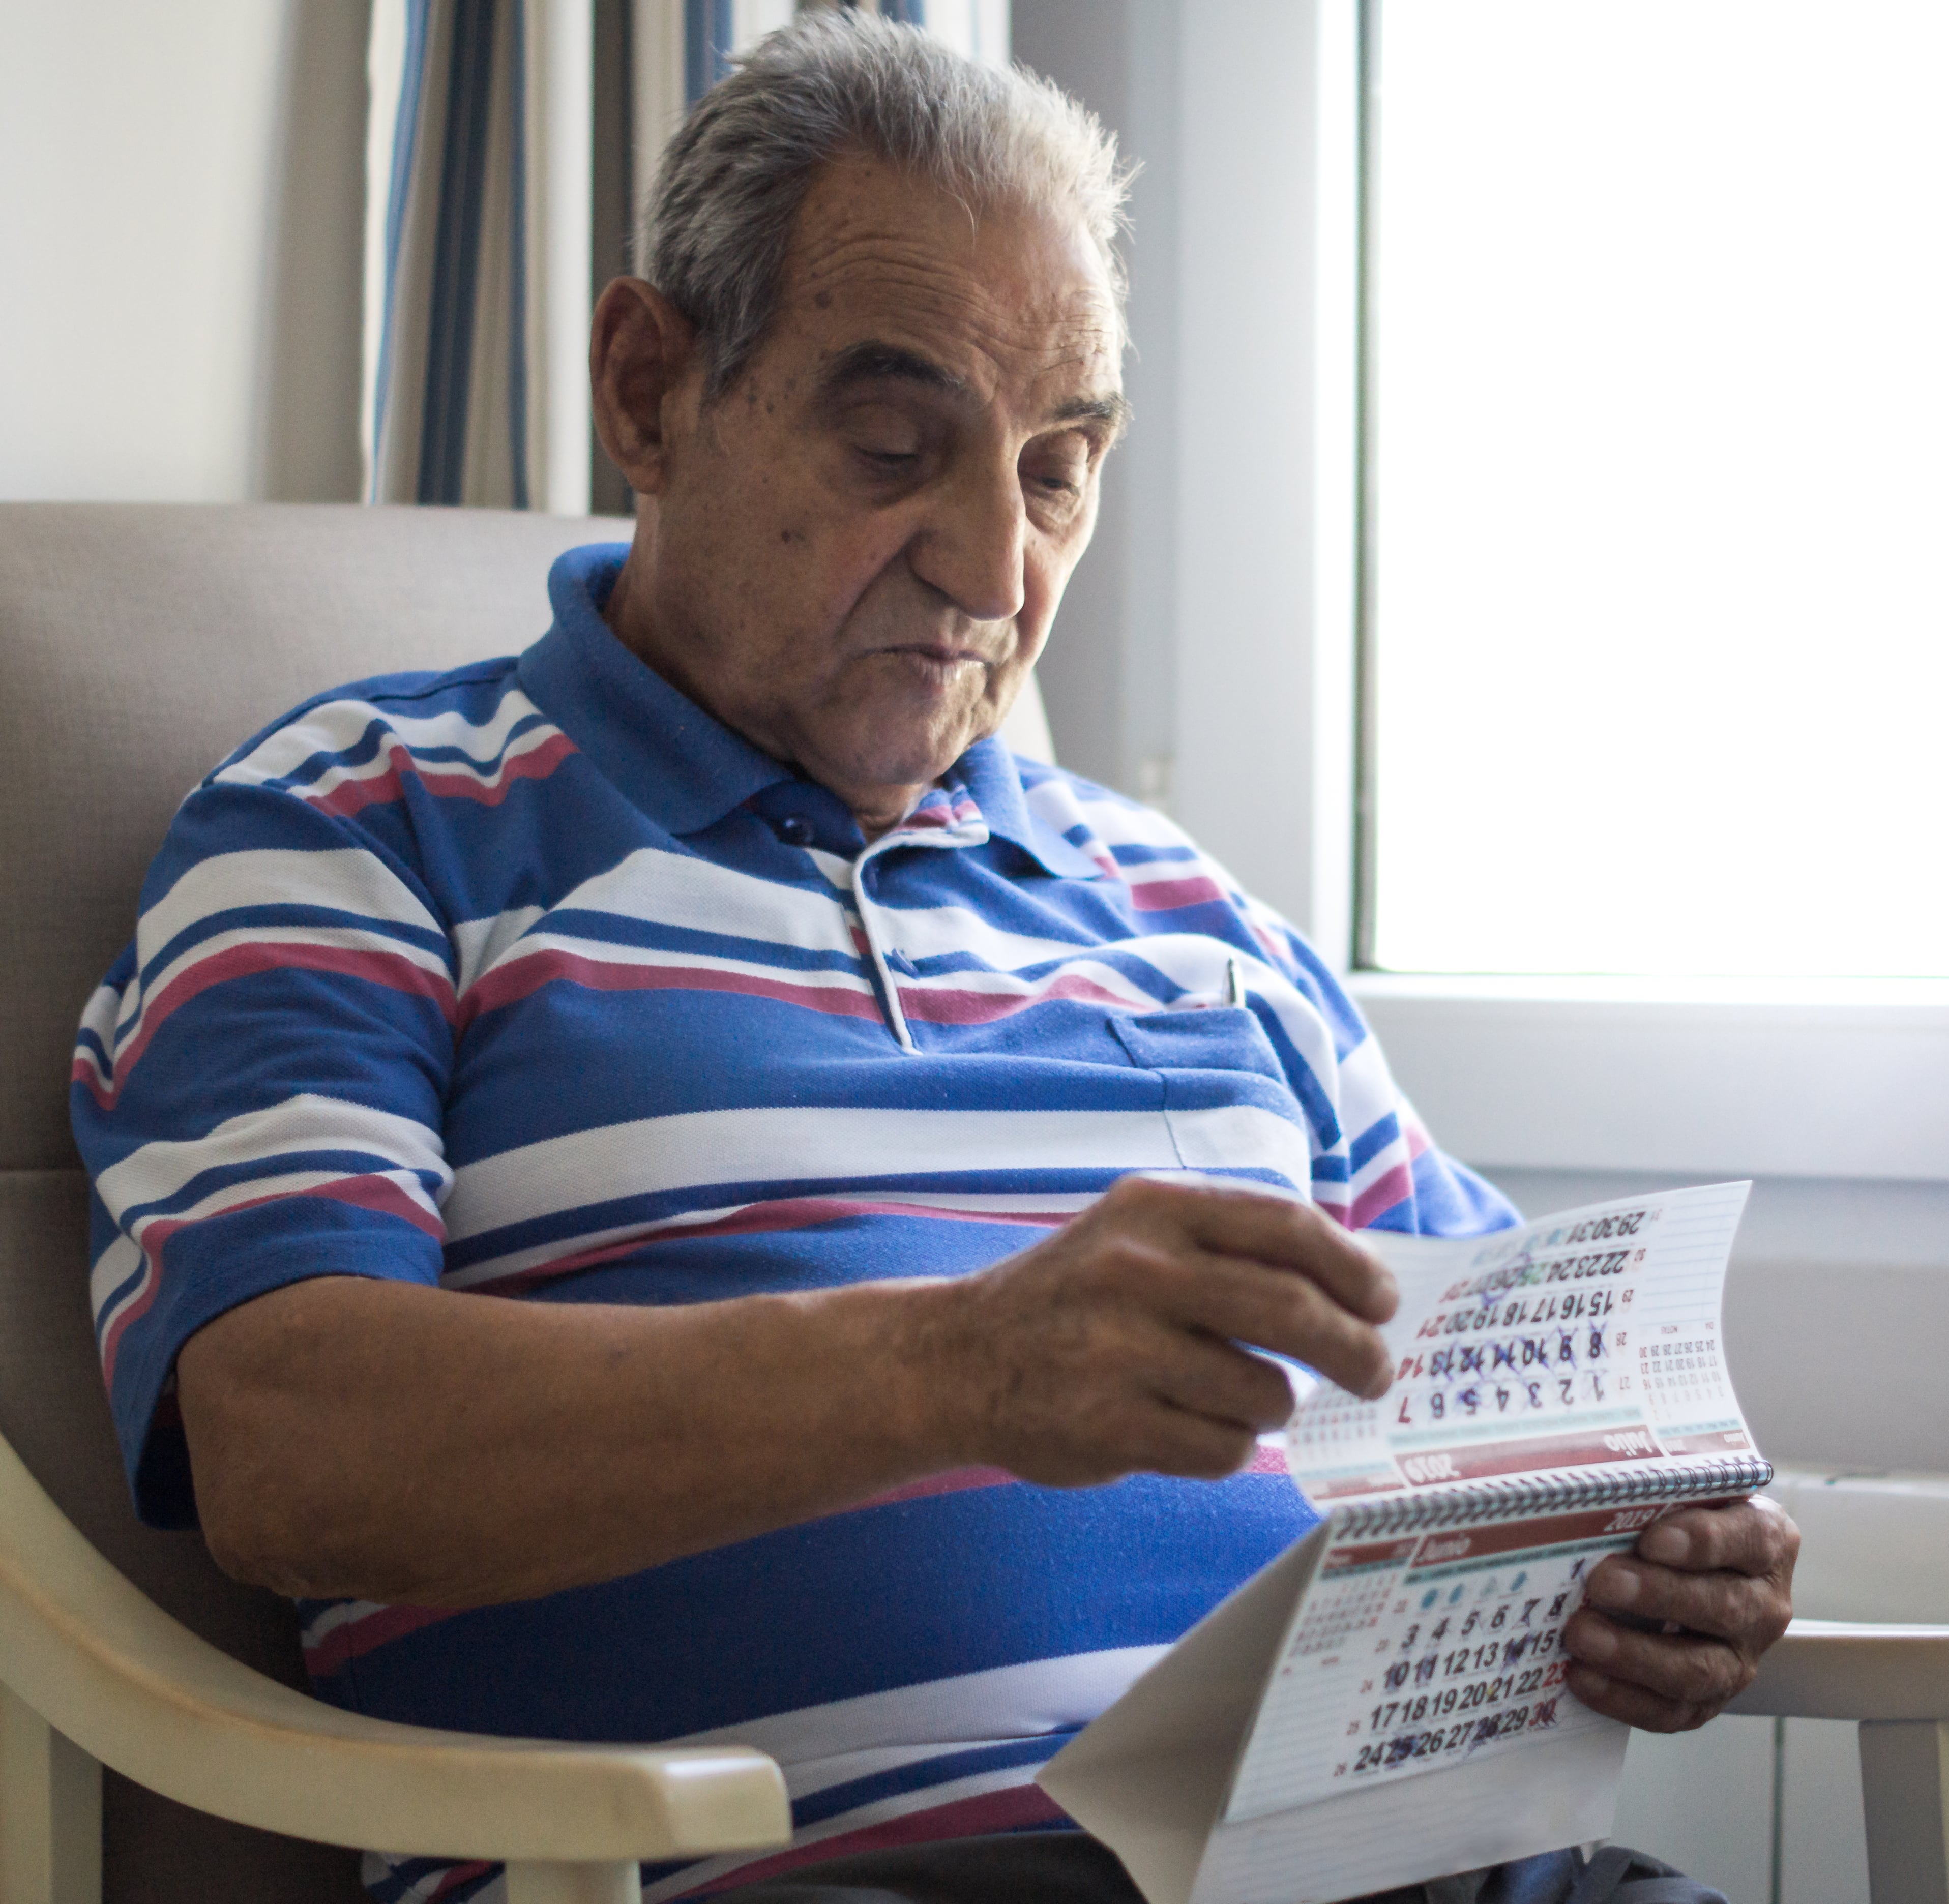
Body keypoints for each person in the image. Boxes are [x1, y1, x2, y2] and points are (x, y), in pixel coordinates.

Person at [69, 14, 1793, 1902]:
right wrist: (952, 1374)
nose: (994, 570)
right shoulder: (360, 828)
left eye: (1060, 470)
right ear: (649, 392)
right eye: (899, 444)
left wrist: (1666, 1537)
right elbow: (292, 1451)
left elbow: (1524, 1405)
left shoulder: (1195, 923)